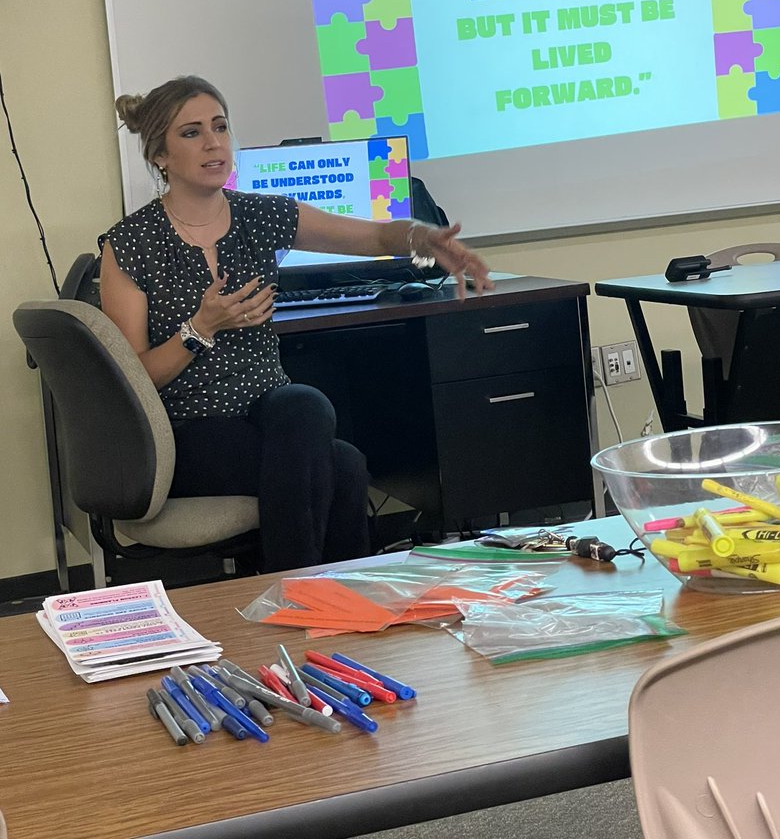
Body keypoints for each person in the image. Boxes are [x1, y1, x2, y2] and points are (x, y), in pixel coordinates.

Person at [100, 75, 494, 573]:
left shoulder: (258, 215)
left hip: (271, 413)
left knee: (304, 403)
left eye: (220, 127)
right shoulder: (130, 244)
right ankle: (314, 594)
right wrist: (199, 329)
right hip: (184, 432)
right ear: (160, 154)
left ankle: (297, 590)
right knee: (344, 466)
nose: (214, 143)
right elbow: (133, 381)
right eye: (192, 132)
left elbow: (372, 237)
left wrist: (424, 238)